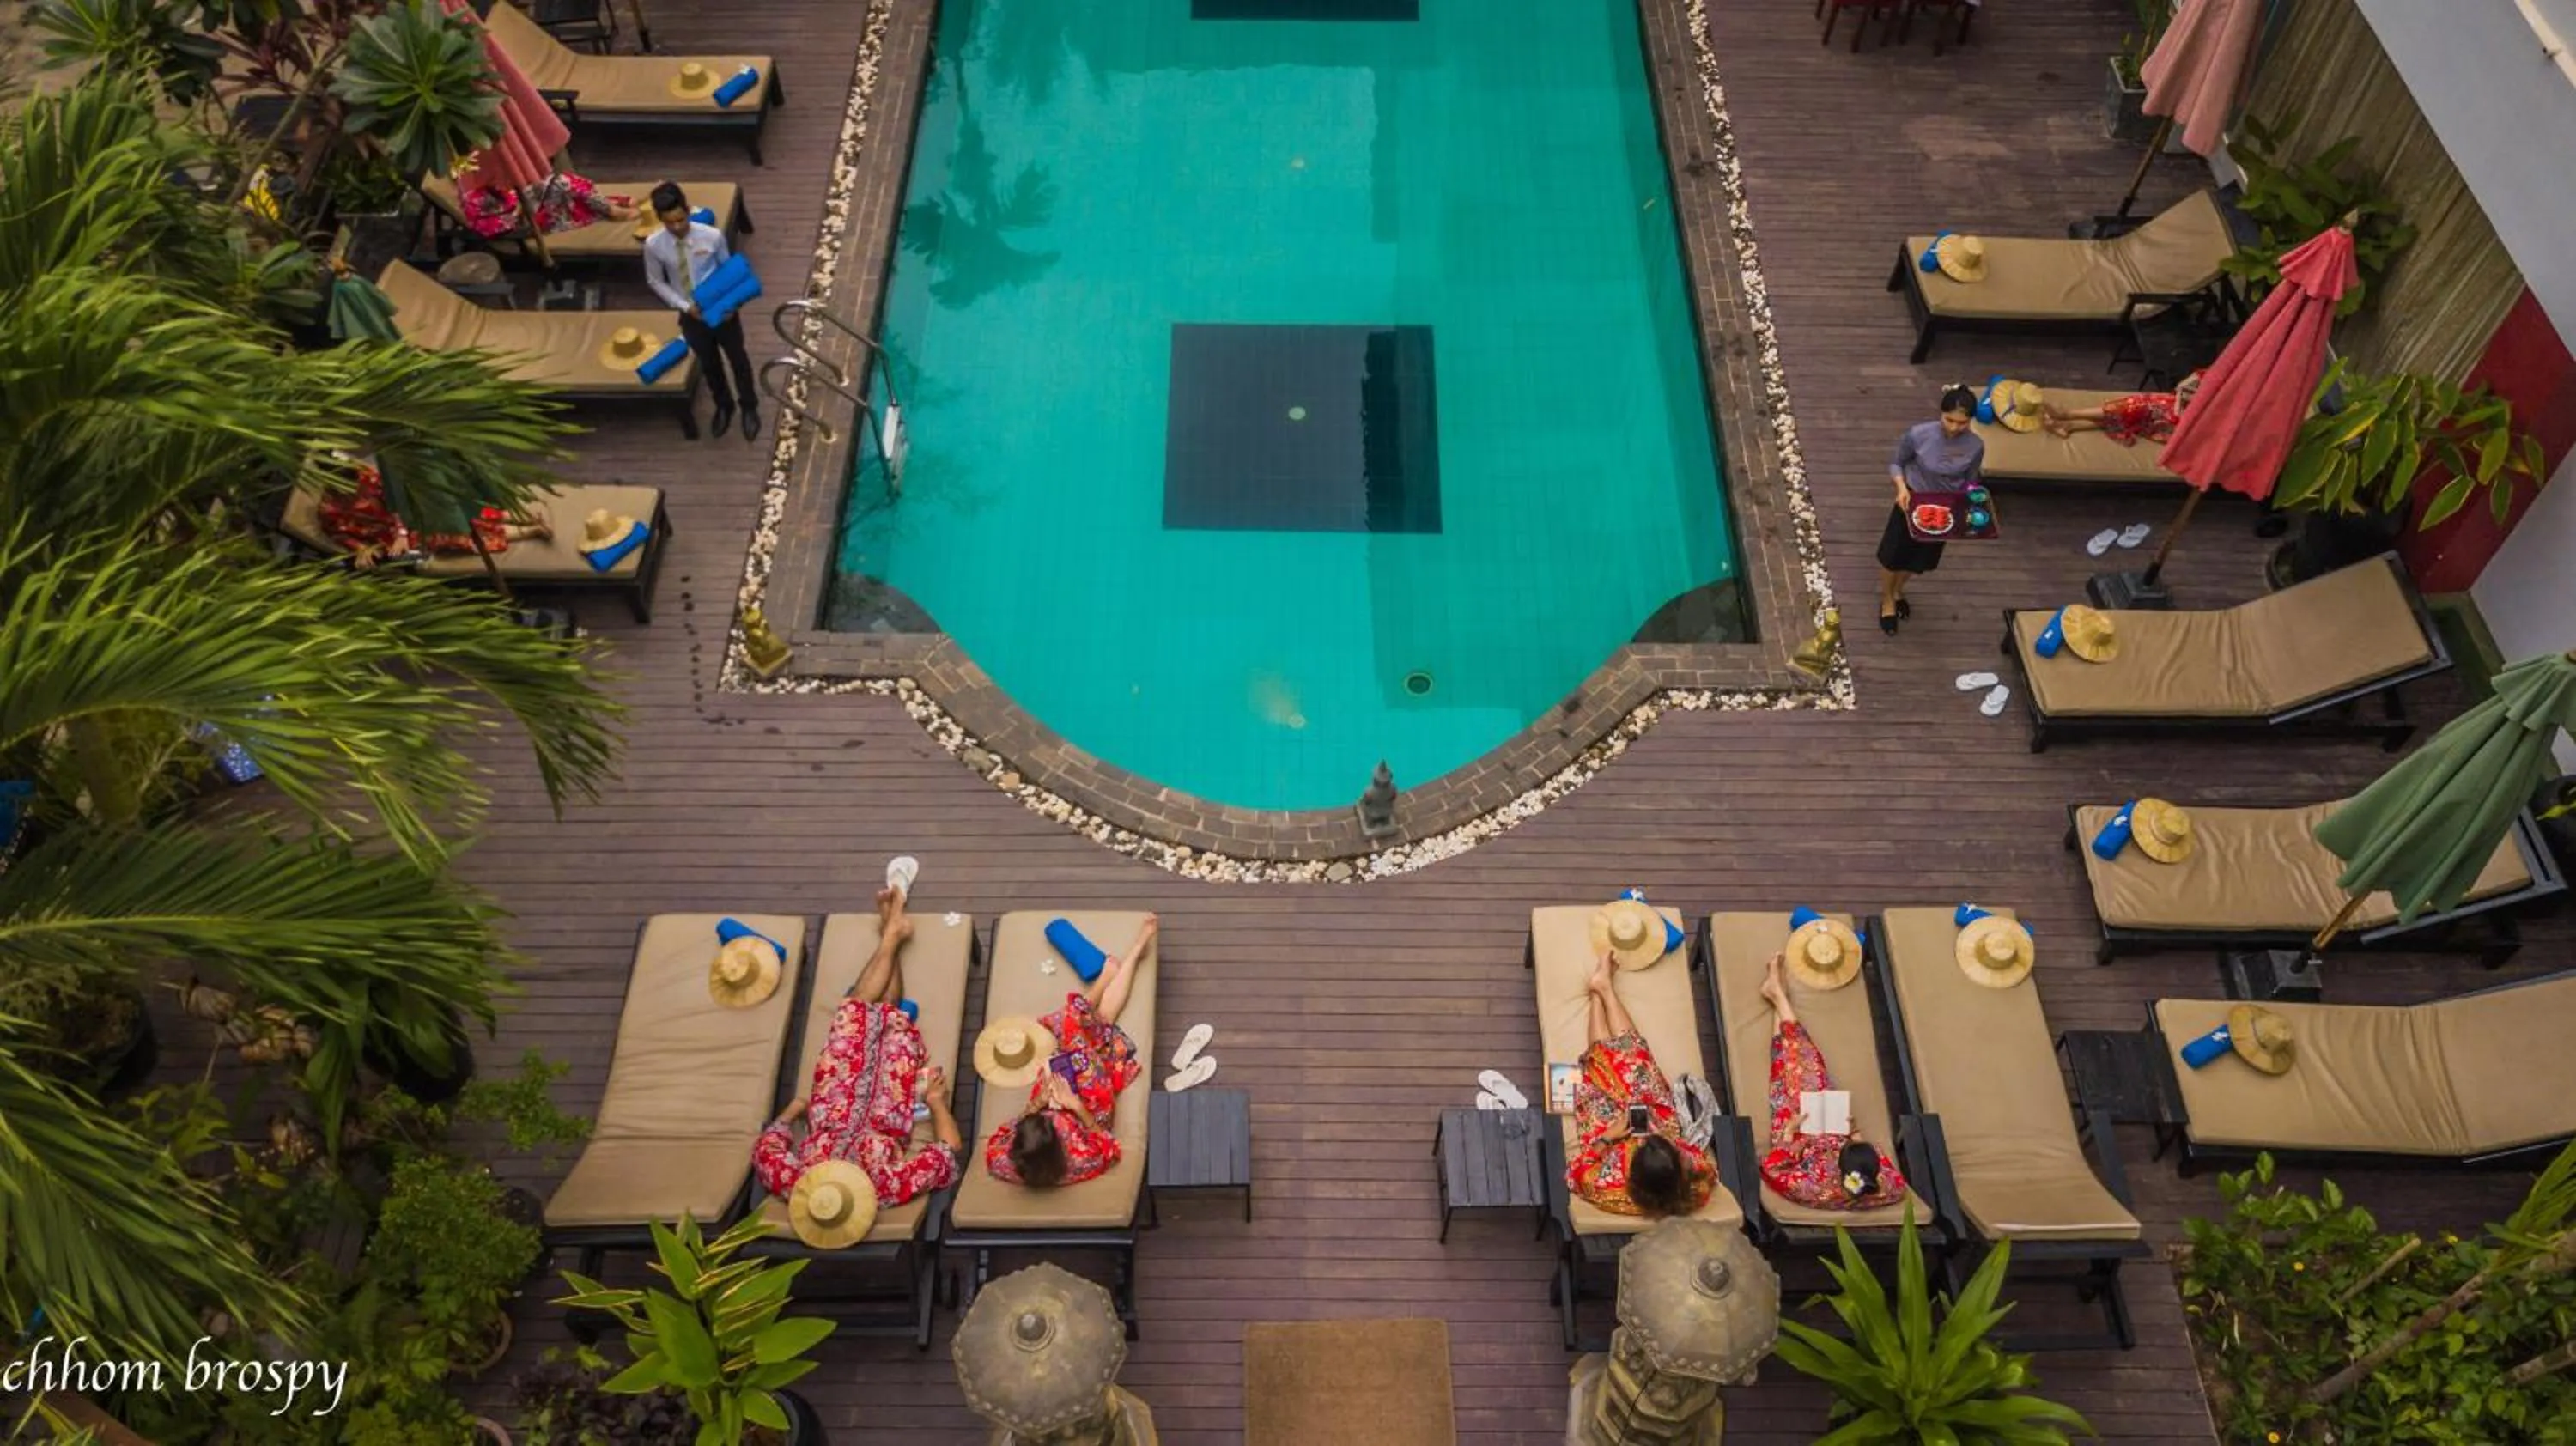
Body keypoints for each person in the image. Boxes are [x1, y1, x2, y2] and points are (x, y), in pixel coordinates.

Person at [754, 884, 965, 1209]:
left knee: (854, 1011)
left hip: (835, 1095)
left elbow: (767, 1149)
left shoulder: (798, 1186)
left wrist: (795, 1108)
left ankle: (891, 934)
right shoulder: (884, 1189)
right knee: (892, 1020)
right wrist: (936, 1102)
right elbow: (949, 1151)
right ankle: (892, 934)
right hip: (889, 1101)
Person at [985, 915, 1155, 1188]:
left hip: (1054, 1094)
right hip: (1090, 1109)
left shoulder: (1004, 1161)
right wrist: (1076, 1107)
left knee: (1093, 1026)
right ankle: (1120, 965)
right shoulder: (1079, 1161)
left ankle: (1124, 963)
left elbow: (1002, 1136)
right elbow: (1109, 1147)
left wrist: (1036, 1105)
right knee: (1077, 1026)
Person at [1564, 951, 1717, 1218]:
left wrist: (1609, 1137)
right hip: (1659, 1121)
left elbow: (1577, 1170)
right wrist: (1661, 1134)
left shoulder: (1609, 1189)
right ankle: (1605, 988)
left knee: (1605, 1072)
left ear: (1634, 1176)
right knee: (1637, 1066)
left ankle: (1598, 995)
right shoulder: (1695, 1186)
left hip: (1609, 1134)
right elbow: (1701, 1160)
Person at [1755, 952, 1906, 1210]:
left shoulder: (1813, 1190)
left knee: (1801, 1070)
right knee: (1800, 1069)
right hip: (1831, 1126)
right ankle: (1779, 997)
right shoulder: (1888, 1188)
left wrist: (1789, 1132)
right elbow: (1884, 1168)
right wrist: (1854, 1134)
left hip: (1798, 1133)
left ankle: (1778, 996)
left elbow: (1773, 1169)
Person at [642, 181, 760, 441]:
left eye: (680, 220)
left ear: (687, 210)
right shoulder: (654, 245)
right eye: (669, 223)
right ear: (660, 219)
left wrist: (733, 306)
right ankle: (724, 405)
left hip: (722, 309)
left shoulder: (712, 236)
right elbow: (655, 281)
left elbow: (731, 273)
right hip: (690, 313)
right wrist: (685, 307)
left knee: (738, 359)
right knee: (709, 362)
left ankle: (749, 406)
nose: (677, 228)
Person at [1876, 383, 1985, 635]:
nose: (1955, 428)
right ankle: (1887, 600)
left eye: (1962, 423)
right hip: (1912, 500)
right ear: (1941, 413)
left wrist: (1971, 503)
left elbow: (1971, 479)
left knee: (1920, 559)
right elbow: (1896, 463)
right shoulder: (1919, 434)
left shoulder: (1976, 446)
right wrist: (1901, 488)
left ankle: (1899, 590)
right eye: (1949, 420)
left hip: (1946, 508)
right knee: (1892, 556)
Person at [317, 463, 550, 570]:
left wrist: (402, 530)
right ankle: (528, 531)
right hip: (391, 540)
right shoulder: (330, 511)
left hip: (409, 512)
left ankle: (516, 516)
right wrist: (361, 549)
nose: (354, 489)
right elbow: (339, 534)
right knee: (445, 535)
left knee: (453, 506)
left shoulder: (365, 476)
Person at [459, 170, 635, 241]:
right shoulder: (470, 186)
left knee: (560, 182)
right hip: (517, 223)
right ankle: (611, 209)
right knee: (560, 182)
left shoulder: (479, 172)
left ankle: (606, 204)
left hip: (519, 207)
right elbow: (507, 209)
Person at [2043, 371, 2202, 444]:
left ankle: (2066, 414)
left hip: (2191, 424)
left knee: (2141, 407)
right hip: (2182, 406)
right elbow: (2198, 378)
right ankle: (2069, 425)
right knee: (2142, 406)